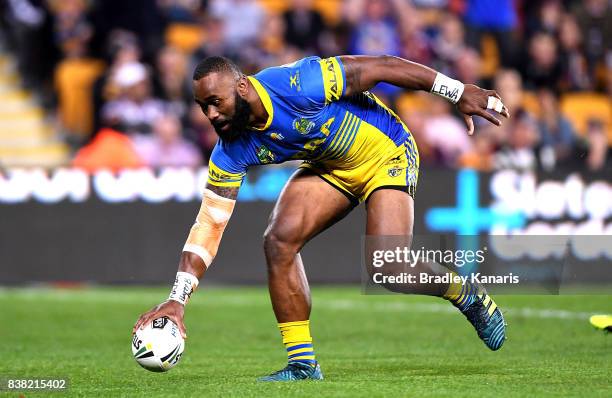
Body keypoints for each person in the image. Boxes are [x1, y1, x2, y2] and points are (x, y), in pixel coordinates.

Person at [133, 54, 510, 381]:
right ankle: (302, 365)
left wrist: (458, 92)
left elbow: (383, 67)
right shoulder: (230, 150)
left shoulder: (299, 82)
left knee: (388, 267)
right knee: (279, 241)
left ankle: (467, 294)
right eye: (203, 107)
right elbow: (210, 223)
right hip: (331, 167)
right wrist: (177, 299)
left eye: (215, 102)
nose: (210, 115)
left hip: (386, 152)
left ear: (243, 88)